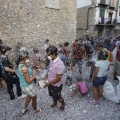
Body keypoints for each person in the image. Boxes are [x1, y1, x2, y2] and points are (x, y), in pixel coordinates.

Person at [18, 49, 41, 114]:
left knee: (29, 96)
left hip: (24, 85)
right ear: (24, 57)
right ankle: (35, 110)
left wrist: (32, 68)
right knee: (34, 98)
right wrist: (36, 73)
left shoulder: (21, 64)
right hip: (28, 86)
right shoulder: (24, 67)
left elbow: (26, 73)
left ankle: (24, 109)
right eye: (28, 57)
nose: (29, 58)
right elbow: (28, 81)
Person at [43, 45, 66, 110]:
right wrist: (45, 77)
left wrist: (48, 84)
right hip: (50, 83)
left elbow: (58, 79)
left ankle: (63, 103)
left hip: (56, 85)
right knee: (53, 95)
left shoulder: (60, 64)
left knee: (58, 96)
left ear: (53, 54)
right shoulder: (51, 60)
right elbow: (49, 70)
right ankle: (55, 103)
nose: (47, 56)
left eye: (49, 55)